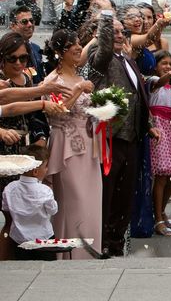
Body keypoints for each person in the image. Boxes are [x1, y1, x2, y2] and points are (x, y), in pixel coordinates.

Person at [86, 10, 156, 257]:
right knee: (108, 192)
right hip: (111, 136)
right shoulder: (99, 56)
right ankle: (103, 242)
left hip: (132, 136)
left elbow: (136, 93)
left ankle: (116, 243)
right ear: (101, 34)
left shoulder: (126, 58)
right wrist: (106, 15)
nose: (119, 35)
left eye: (121, 31)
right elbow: (103, 47)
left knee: (125, 195)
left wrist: (147, 124)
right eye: (114, 31)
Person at [43, 30, 101, 259]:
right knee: (73, 199)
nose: (79, 48)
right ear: (60, 52)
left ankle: (91, 249)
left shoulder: (80, 76)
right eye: (72, 46)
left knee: (91, 199)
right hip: (66, 144)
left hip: (89, 144)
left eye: (79, 44)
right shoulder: (52, 81)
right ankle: (72, 253)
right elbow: (56, 112)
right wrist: (78, 91)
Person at [147, 50, 171, 236]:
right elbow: (158, 85)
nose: (168, 67)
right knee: (162, 174)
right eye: (164, 63)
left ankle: (162, 210)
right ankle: (157, 218)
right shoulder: (154, 83)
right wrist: (168, 77)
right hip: (157, 128)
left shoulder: (170, 88)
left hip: (169, 129)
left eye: (170, 64)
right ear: (155, 66)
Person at [2, 145, 58, 261]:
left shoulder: (9, 188)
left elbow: (6, 209)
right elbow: (53, 210)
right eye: (46, 166)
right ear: (36, 171)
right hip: (44, 239)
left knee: (23, 270)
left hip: (19, 240)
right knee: (48, 270)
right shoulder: (45, 190)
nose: (47, 169)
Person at [9, 6, 44, 84]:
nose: (30, 24)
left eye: (31, 20)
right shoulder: (6, 49)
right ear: (13, 26)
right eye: (24, 21)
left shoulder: (36, 48)